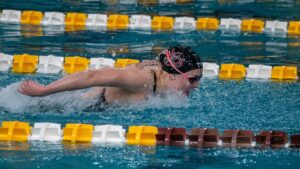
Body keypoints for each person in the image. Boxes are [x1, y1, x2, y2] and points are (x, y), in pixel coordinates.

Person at [18, 45, 203, 107]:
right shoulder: (144, 80)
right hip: (88, 107)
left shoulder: (162, 75)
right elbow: (92, 76)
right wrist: (43, 91)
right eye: (192, 79)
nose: (196, 86)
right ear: (172, 75)